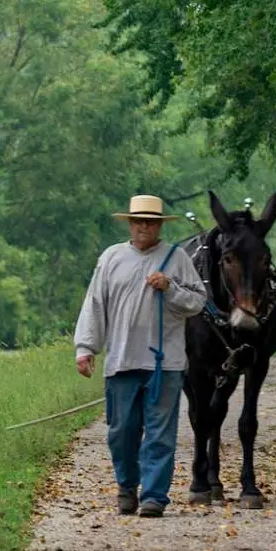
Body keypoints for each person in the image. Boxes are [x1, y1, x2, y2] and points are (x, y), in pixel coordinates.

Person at [74, 195, 207, 518]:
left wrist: (170, 288)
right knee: (121, 432)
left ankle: (154, 496)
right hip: (121, 361)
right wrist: (85, 348)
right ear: (130, 224)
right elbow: (95, 304)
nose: (143, 226)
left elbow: (198, 302)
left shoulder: (176, 259)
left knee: (160, 433)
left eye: (150, 221)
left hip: (166, 364)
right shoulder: (111, 258)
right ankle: (126, 487)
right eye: (138, 221)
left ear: (160, 224)